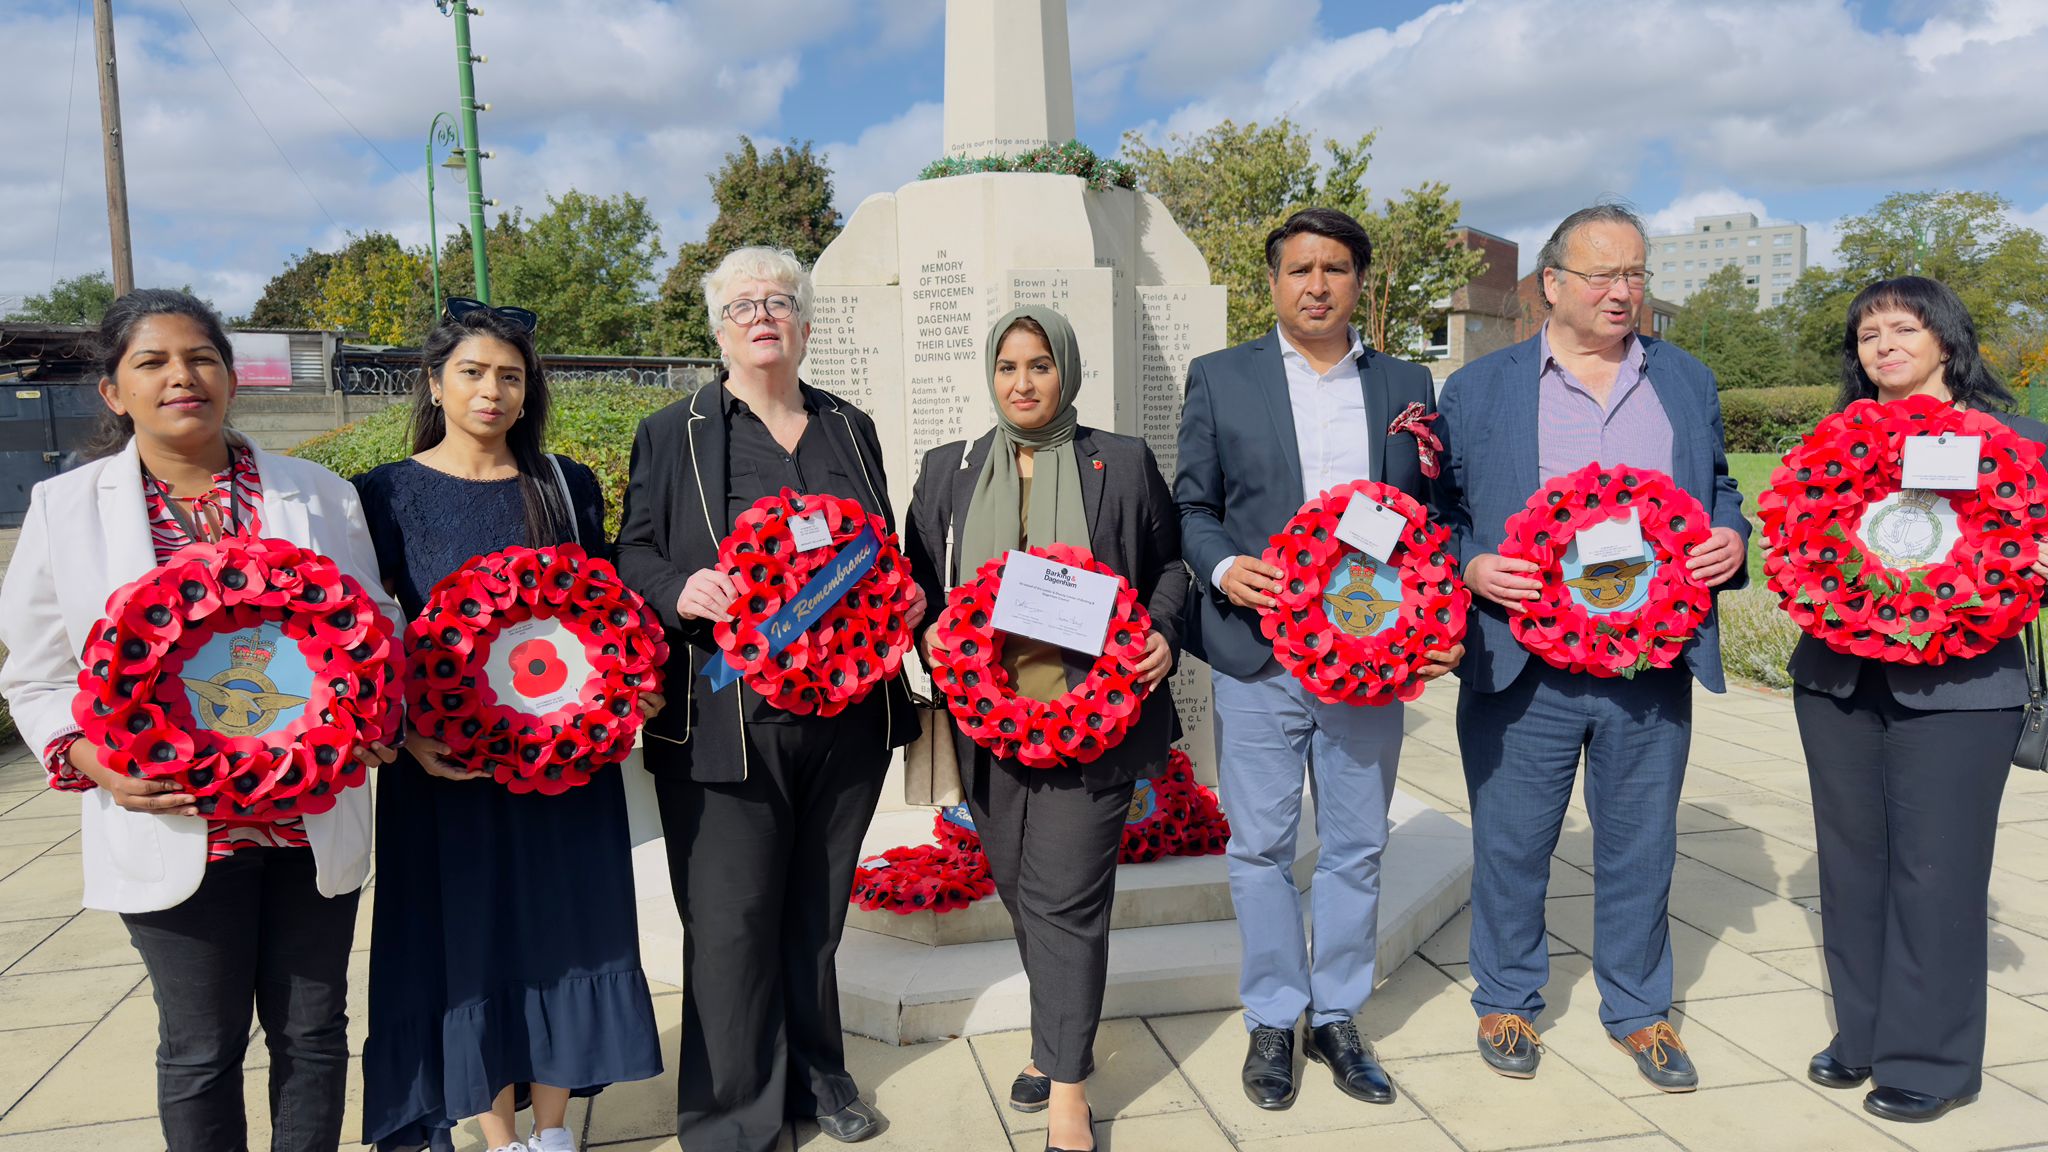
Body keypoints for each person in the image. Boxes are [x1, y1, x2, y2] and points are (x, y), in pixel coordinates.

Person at [0, 289, 399, 1152]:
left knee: (314, 1033)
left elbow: (374, 628)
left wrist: (377, 717)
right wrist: (89, 762)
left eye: (202, 358)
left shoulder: (317, 494)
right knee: (200, 1051)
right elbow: (34, 677)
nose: (182, 377)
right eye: (152, 362)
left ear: (229, 376)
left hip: (306, 818)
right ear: (113, 390)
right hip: (176, 822)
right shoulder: (68, 510)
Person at [614, 246, 927, 1151]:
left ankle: (820, 1082)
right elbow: (632, 554)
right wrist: (680, 588)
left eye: (781, 301)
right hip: (727, 719)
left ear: (805, 321)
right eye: (743, 304)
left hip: (847, 718)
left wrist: (904, 595)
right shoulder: (674, 430)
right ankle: (731, 1117)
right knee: (731, 924)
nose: (763, 315)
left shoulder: (847, 426)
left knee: (814, 918)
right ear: (718, 328)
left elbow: (879, 548)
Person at [1435, 203, 1748, 1092]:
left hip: (1649, 665)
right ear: (1552, 286)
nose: (1623, 291)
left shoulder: (1684, 380)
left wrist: (1731, 538)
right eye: (1604, 275)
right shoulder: (1480, 388)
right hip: (1522, 663)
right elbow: (1442, 514)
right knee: (1512, 840)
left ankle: (1640, 1012)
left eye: (1637, 274)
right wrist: (1471, 564)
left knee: (1641, 843)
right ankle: (1505, 997)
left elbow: (1720, 488)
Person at [354, 300, 664, 1152]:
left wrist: (628, 688)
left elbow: (603, 616)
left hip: (564, 770)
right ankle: (497, 1135)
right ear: (434, 382)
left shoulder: (565, 484)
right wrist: (406, 733)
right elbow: (368, 636)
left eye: (511, 377)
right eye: (473, 372)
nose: (492, 391)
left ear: (529, 392)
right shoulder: (385, 495)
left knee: (570, 930)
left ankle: (555, 1130)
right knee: (470, 945)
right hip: (449, 776)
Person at [1174, 207, 1464, 1110]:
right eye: (1299, 269)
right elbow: (1192, 506)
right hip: (1259, 654)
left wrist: (1442, 610)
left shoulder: (1409, 382)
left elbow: (1441, 515)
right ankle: (1273, 1015)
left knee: (1355, 846)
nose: (1316, 284)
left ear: (1358, 282)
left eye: (1335, 269)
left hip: (1372, 663)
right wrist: (1224, 566)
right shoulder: (1221, 379)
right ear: (1273, 282)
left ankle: (1337, 1014)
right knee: (1259, 847)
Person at [905, 306, 1187, 1152]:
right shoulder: (949, 469)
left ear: (1067, 370)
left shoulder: (1121, 462)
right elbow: (920, 575)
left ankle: (1067, 1087)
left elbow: (1170, 564)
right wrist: (923, 627)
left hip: (1093, 720)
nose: (1022, 383)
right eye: (1007, 367)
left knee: (1065, 897)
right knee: (1024, 891)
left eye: (1038, 365)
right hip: (988, 722)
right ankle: (1057, 1035)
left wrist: (1165, 638)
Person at [1787, 276, 2045, 1123]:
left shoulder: (2014, 439)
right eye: (1869, 335)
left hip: (1963, 689)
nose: (1886, 345)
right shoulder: (1831, 441)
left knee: (1937, 870)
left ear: (1945, 340)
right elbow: (1800, 542)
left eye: (1905, 328)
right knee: (1852, 862)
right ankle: (1861, 1034)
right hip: (1837, 679)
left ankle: (1933, 1061)